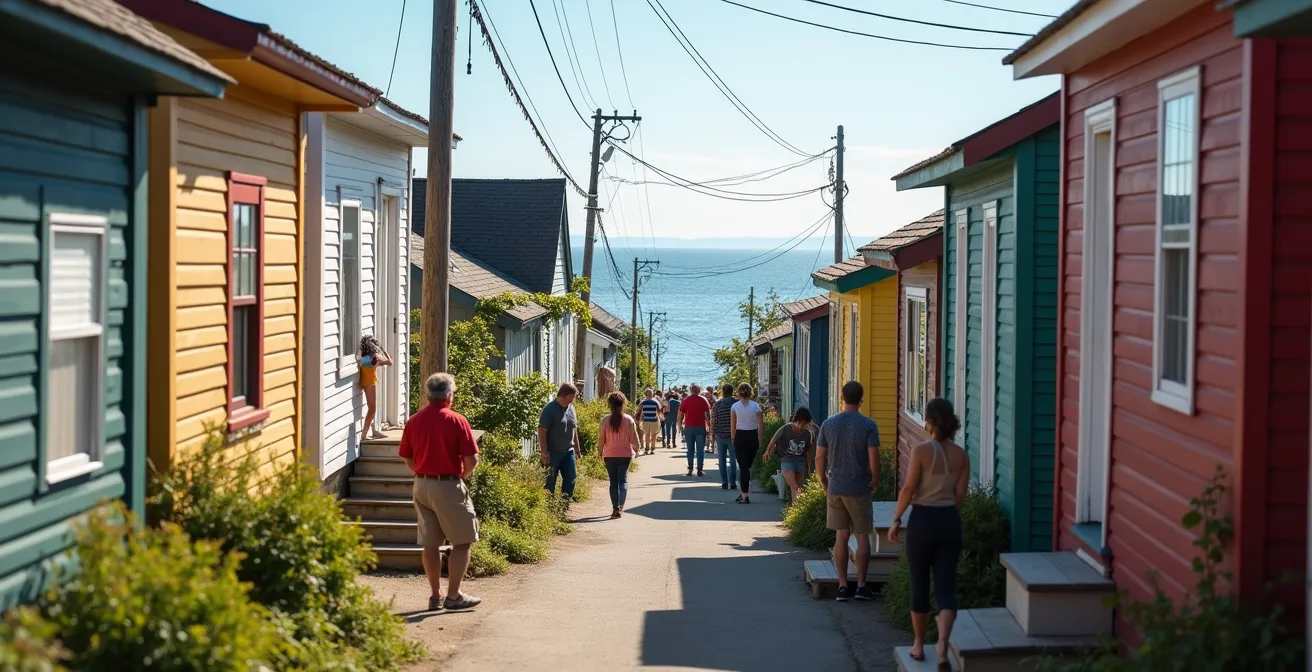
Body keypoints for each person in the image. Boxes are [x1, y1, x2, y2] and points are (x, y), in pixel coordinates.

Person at [887, 398, 968, 665]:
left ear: (930, 422)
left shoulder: (922, 451)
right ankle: (943, 647)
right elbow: (959, 497)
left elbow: (909, 488)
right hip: (949, 520)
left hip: (923, 519)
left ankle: (919, 645)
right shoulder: (961, 455)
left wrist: (897, 518)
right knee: (946, 586)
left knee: (919, 583)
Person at [398, 373, 482, 611]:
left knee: (430, 543)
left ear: (428, 394)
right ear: (448, 395)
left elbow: (407, 457)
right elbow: (471, 459)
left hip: (421, 485)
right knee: (463, 540)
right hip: (447, 483)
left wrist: (421, 473)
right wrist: (462, 476)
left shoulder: (414, 421)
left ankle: (435, 595)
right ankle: (454, 596)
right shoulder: (456, 420)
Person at [816, 380, 881, 602]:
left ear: (842, 398)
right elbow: (874, 457)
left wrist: (823, 479)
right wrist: (875, 479)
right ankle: (862, 585)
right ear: (861, 400)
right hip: (859, 487)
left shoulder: (828, 424)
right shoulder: (868, 425)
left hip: (836, 486)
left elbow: (819, 457)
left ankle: (843, 586)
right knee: (863, 536)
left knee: (841, 536)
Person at [598, 391, 641, 518]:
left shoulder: (605, 421)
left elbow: (601, 439)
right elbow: (634, 439)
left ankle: (615, 507)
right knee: (622, 480)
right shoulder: (628, 420)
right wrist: (637, 449)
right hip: (625, 455)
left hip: (609, 455)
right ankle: (621, 507)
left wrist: (599, 451)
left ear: (610, 405)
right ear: (623, 404)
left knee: (613, 482)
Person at [538, 383, 581, 501]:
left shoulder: (571, 409)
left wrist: (577, 448)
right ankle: (549, 505)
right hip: (552, 452)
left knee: (571, 477)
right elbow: (542, 430)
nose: (574, 399)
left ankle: (564, 502)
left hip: (568, 452)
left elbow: (574, 429)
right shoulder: (549, 409)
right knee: (550, 479)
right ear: (564, 395)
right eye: (573, 396)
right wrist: (543, 451)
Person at [764, 407, 815, 502]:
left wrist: (808, 469)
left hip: (800, 461)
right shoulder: (786, 428)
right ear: (797, 420)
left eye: (805, 424)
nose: (802, 426)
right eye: (801, 423)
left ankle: (799, 508)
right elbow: (774, 439)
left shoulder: (807, 433)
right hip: (787, 460)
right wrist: (767, 451)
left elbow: (807, 451)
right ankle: (796, 510)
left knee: (800, 486)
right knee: (793, 486)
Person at [729, 383, 764, 502]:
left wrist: (733, 438)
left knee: (743, 467)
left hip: (740, 436)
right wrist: (760, 439)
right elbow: (760, 424)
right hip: (752, 436)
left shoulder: (734, 406)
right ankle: (745, 493)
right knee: (747, 466)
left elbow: (733, 424)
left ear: (739, 393)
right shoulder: (756, 406)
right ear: (750, 392)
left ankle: (745, 494)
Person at [357, 335, 393, 441]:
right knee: (372, 408)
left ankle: (373, 430)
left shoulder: (363, 356)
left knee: (370, 407)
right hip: (369, 382)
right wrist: (383, 349)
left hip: (363, 381)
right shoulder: (374, 356)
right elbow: (390, 362)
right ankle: (364, 434)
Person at [678, 383, 712, 477]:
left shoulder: (686, 400)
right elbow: (708, 414)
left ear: (691, 390)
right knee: (700, 450)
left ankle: (690, 469)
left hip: (689, 427)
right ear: (699, 391)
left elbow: (681, 414)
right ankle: (700, 469)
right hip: (701, 427)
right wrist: (709, 426)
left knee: (690, 449)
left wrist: (680, 425)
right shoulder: (703, 400)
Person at [711, 384, 737, 490]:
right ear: (732, 391)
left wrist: (711, 434)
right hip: (733, 436)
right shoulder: (736, 404)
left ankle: (724, 482)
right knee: (733, 459)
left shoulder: (717, 404)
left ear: (723, 392)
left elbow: (713, 420)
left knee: (721, 459)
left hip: (720, 435)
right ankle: (733, 482)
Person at [637, 388, 662, 456]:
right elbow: (659, 410)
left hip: (647, 420)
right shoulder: (655, 401)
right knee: (652, 435)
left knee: (648, 435)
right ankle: (650, 449)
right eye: (649, 393)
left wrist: (639, 417)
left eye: (650, 393)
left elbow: (639, 410)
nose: (650, 394)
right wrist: (661, 417)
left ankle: (648, 449)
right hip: (653, 420)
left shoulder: (643, 402)